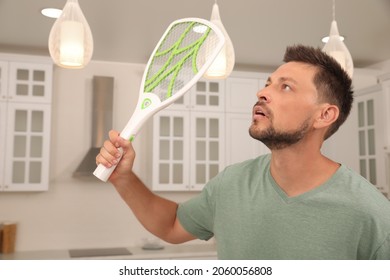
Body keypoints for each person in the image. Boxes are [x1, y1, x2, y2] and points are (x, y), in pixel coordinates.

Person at [96, 44, 390, 259]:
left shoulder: (371, 213)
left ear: (324, 116)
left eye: (285, 87)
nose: (262, 92)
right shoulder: (231, 184)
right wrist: (124, 178)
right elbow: (172, 225)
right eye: (267, 83)